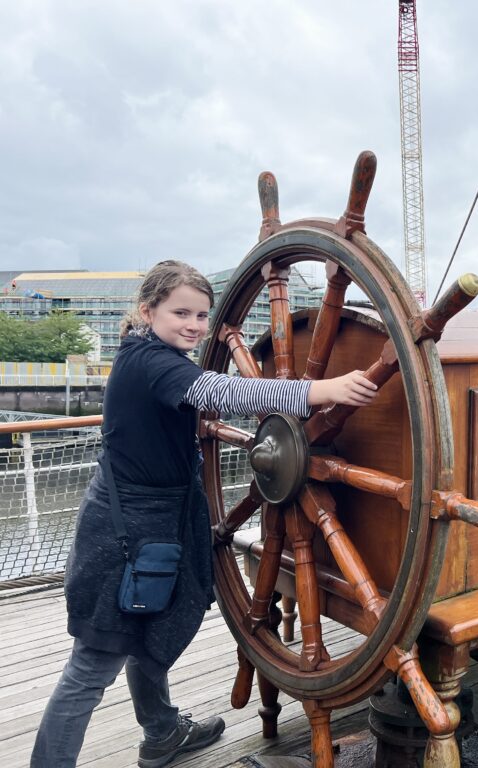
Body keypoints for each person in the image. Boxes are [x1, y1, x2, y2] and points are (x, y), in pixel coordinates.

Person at [32, 260, 379, 768]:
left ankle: (163, 733)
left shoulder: (146, 353)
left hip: (150, 519)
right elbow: (222, 392)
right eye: (181, 313)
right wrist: (319, 391)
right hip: (127, 530)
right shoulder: (154, 363)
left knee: (148, 628)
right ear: (148, 311)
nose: (194, 325)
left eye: (202, 315)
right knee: (95, 660)